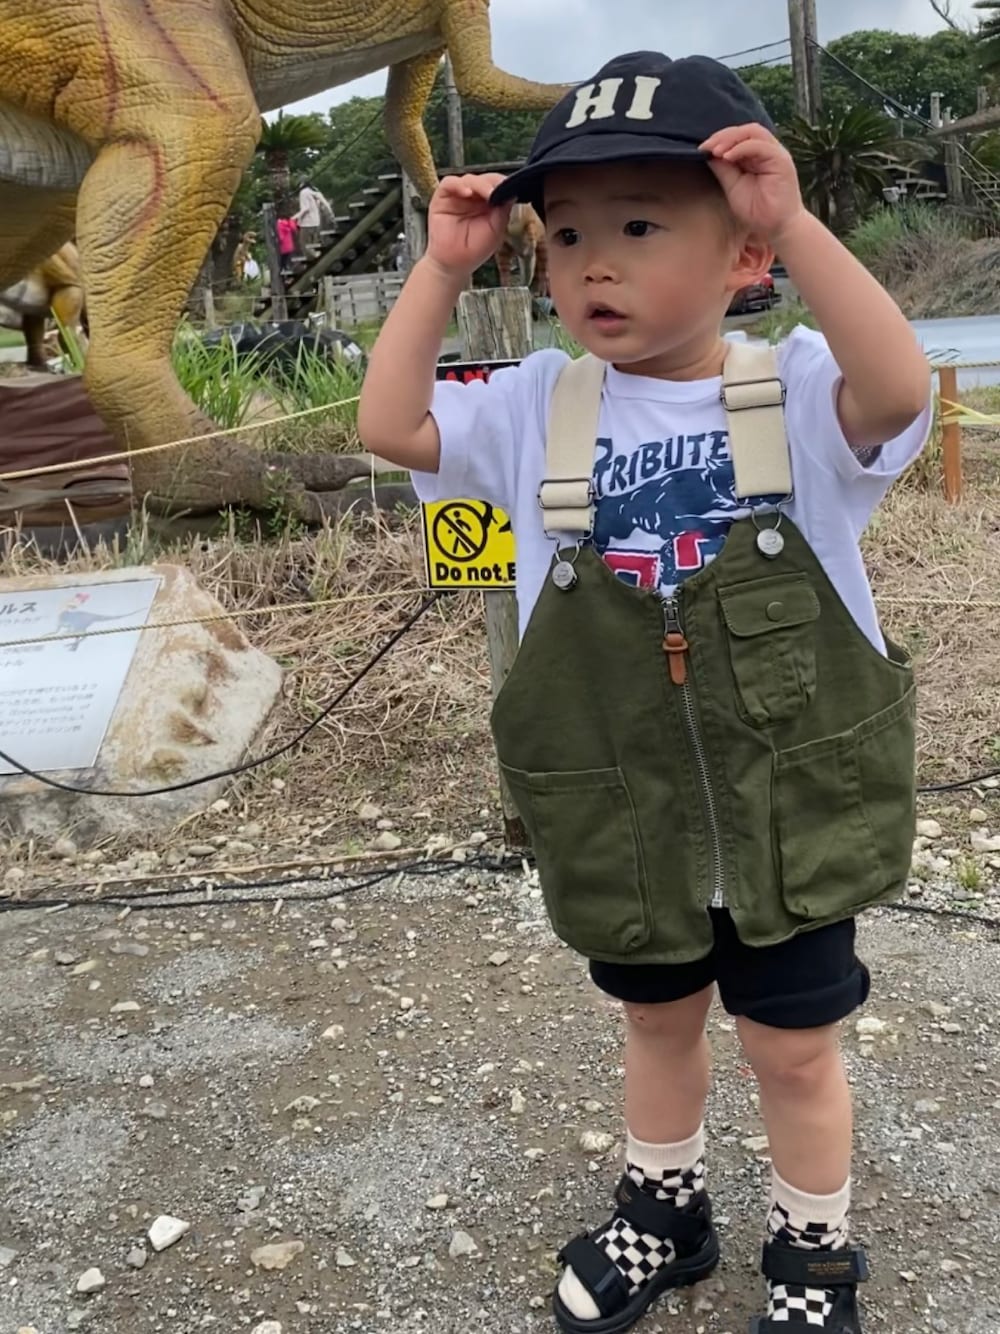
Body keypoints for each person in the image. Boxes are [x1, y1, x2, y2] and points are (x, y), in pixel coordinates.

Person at [358, 51, 931, 1334]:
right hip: (624, 811)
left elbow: (899, 388)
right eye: (565, 235)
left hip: (786, 813)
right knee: (655, 1026)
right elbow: (392, 427)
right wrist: (442, 269)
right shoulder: (533, 405)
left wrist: (801, 225)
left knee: (792, 1048)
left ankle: (813, 1248)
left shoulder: (791, 390)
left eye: (637, 227)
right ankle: (664, 1209)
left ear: (742, 257)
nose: (593, 265)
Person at [295, 177, 334, 250]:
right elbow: (325, 203)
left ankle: (313, 255)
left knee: (305, 244)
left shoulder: (303, 192)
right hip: (316, 221)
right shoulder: (315, 191)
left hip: (307, 222)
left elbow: (305, 208)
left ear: (302, 184)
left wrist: (295, 217)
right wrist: (331, 213)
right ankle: (317, 253)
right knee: (315, 242)